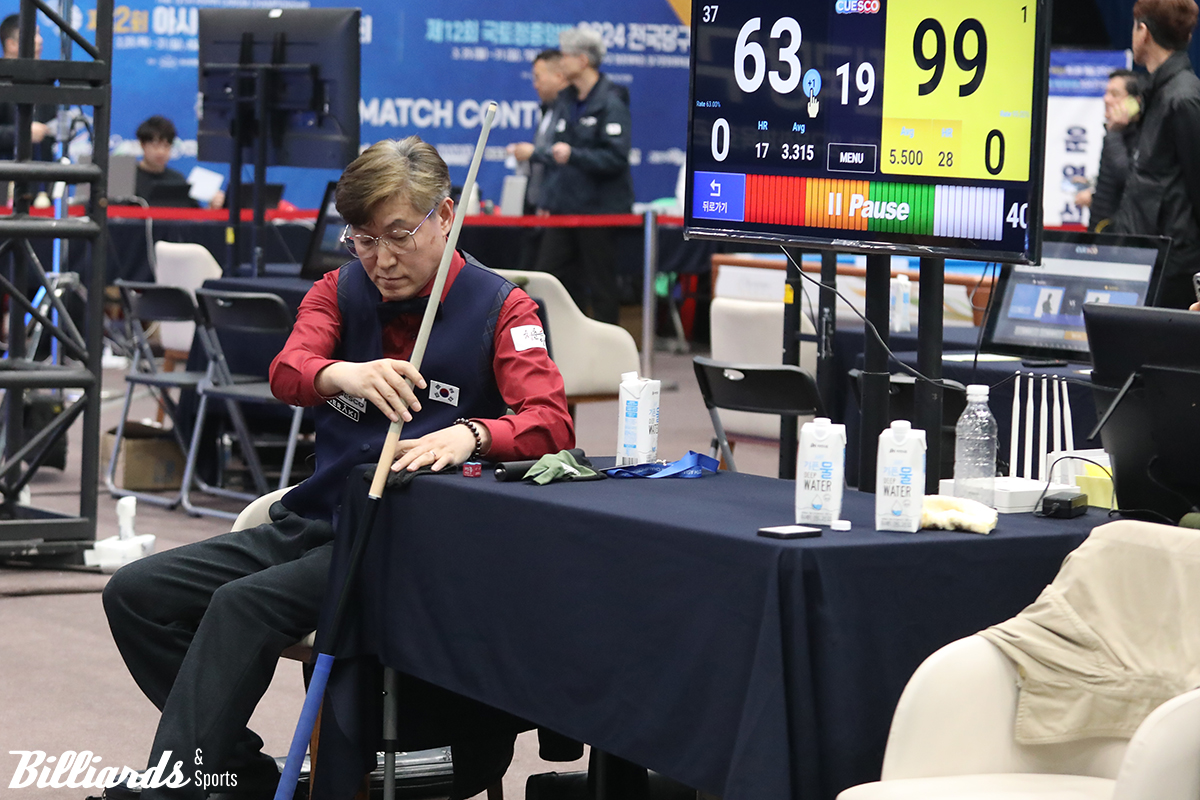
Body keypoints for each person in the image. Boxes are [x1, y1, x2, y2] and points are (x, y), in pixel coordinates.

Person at [102, 135, 574, 800]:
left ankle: (173, 786)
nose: (380, 259)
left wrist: (473, 433)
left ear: (445, 215)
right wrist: (341, 373)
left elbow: (551, 422)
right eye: (361, 237)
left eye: (398, 234)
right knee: (137, 594)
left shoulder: (504, 308)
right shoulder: (338, 289)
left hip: (413, 540)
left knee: (241, 607)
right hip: (319, 519)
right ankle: (235, 771)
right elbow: (287, 371)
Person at [529, 27, 634, 324]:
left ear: (583, 60)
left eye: (566, 55)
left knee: (601, 286)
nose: (561, 61)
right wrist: (549, 198)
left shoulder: (611, 102)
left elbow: (616, 157)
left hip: (599, 212)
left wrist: (575, 155)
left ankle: (610, 357)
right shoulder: (564, 101)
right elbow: (554, 154)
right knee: (547, 277)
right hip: (565, 210)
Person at [1108, 0, 1200, 308]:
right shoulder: (1156, 92)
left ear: (1143, 32)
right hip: (1146, 257)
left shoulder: (1182, 98)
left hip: (1172, 269)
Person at [507, 49, 569, 271]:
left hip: (556, 211)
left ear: (559, 77)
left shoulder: (569, 111)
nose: (534, 84)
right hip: (538, 209)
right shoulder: (547, 110)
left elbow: (564, 158)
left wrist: (533, 152)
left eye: (538, 77)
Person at [1075, 69, 1142, 231]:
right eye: (1106, 93)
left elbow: (1126, 177)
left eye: (1115, 94)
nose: (1106, 99)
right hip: (1099, 231)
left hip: (1120, 236)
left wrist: (1114, 133)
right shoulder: (1117, 133)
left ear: (1135, 102)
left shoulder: (1141, 137)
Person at [133, 116, 194, 207]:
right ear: (142, 145)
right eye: (155, 146)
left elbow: (193, 215)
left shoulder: (178, 180)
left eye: (166, 146)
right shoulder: (129, 179)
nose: (161, 152)